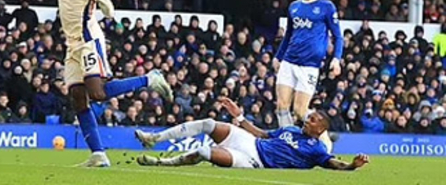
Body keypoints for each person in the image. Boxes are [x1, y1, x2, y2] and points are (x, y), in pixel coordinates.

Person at [25, 0, 172, 167]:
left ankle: (150, 79)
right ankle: (98, 154)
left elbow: (109, 11)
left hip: (89, 41)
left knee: (97, 93)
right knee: (77, 98)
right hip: (71, 46)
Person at [135, 97, 370, 172]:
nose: (308, 120)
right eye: (309, 117)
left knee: (205, 151)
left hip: (255, 161)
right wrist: (239, 117)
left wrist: (351, 166)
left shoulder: (317, 149)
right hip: (252, 141)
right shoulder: (289, 129)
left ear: (321, 129)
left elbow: (332, 163)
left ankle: (161, 163)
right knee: (208, 123)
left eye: (313, 120)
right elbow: (262, 134)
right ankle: (153, 138)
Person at [275, 0, 342, 141]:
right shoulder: (294, 7)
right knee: (282, 105)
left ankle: (324, 138)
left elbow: (338, 36)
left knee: (299, 110)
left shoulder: (326, 7)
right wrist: (278, 57)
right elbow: (288, 35)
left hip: (309, 66)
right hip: (289, 61)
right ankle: (287, 142)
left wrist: (336, 59)